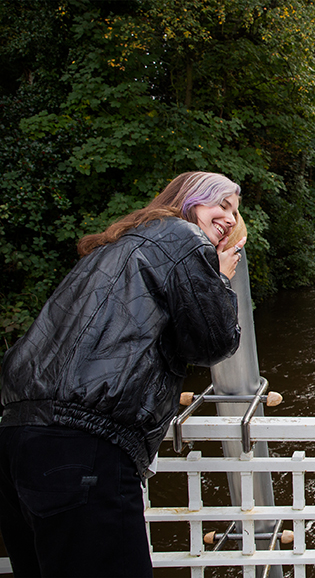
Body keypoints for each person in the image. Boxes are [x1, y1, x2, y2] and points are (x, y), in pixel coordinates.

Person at [0, 171, 247, 577]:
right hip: (83, 447)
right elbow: (213, 344)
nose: (228, 217)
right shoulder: (185, 238)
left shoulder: (115, 246)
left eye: (234, 212)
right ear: (189, 199)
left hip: (17, 439)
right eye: (221, 204)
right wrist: (219, 279)